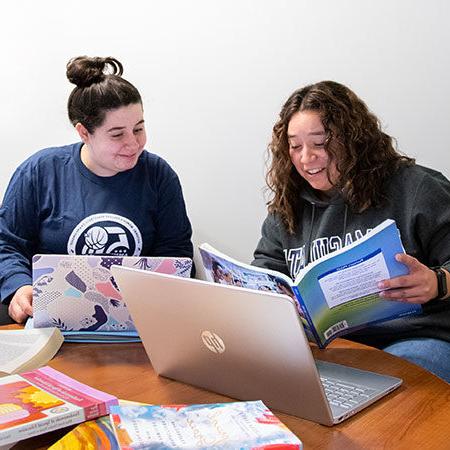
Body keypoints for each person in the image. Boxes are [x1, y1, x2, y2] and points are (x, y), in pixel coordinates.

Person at [252, 80, 450, 382]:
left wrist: (439, 283)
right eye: (295, 146)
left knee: (387, 400)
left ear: (353, 139)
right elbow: (266, 274)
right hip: (331, 347)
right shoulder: (287, 208)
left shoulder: (417, 190)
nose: (306, 158)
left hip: (419, 340)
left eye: (320, 143)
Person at [0, 56, 193, 324]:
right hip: (50, 320)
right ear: (84, 133)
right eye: (117, 134)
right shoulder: (40, 171)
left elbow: (176, 250)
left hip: (139, 322)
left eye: (139, 128)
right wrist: (18, 286)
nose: (133, 143)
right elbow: (7, 243)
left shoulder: (159, 175)